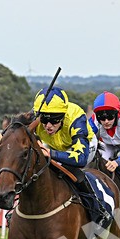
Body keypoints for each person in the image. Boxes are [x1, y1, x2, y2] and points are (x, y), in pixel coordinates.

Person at [33, 87, 113, 229]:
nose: (48, 126)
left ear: (63, 115)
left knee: (70, 171)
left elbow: (81, 158)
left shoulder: (76, 118)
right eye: (44, 120)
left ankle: (98, 209)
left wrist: (51, 154)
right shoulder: (36, 117)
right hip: (54, 146)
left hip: (82, 147)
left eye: (54, 120)